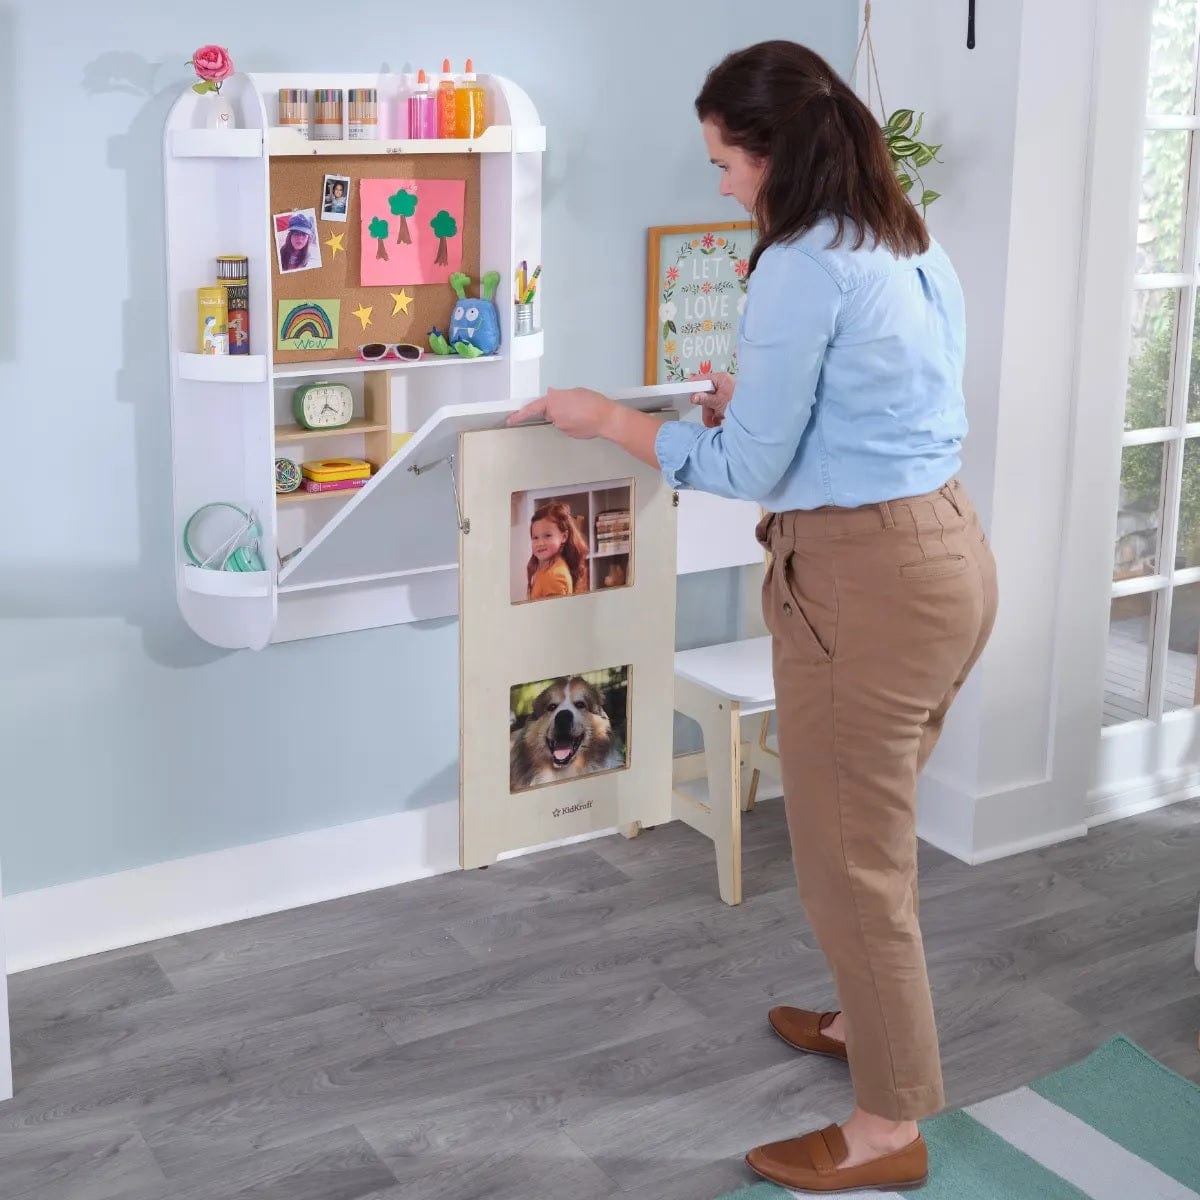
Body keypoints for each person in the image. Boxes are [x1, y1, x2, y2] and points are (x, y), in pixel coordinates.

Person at [508, 38, 998, 1195]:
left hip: (866, 586)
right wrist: (755, 405)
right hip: (947, 557)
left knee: (849, 864)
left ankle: (887, 1128)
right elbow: (893, 412)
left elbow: (745, 468)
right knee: (868, 837)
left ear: (774, 154)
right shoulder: (903, 237)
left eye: (725, 163)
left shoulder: (800, 267)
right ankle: (869, 1023)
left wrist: (606, 420)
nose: (724, 186)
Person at [525, 501, 590, 600]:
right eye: (535, 538)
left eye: (547, 536)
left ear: (564, 537)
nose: (540, 543)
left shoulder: (555, 577)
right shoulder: (547, 567)